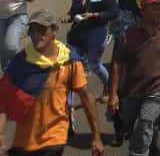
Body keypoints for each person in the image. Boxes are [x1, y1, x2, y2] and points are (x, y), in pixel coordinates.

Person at [0, 9, 105, 156]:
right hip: (23, 142)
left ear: (54, 30)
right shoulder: (20, 62)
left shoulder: (69, 61)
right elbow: (3, 100)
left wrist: (96, 138)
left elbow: (86, 97)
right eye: (33, 30)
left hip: (54, 138)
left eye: (42, 30)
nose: (36, 35)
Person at [108, 0, 160, 156]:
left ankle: (137, 153)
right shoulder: (129, 33)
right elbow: (117, 64)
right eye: (154, 7)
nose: (159, 11)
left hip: (157, 87)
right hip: (132, 89)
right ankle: (151, 145)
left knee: (145, 121)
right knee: (134, 125)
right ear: (143, 9)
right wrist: (113, 94)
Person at [67, 0, 118, 99]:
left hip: (96, 35)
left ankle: (108, 86)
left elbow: (113, 13)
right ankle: (68, 107)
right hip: (77, 35)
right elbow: (75, 9)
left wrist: (95, 15)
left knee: (94, 65)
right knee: (72, 69)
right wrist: (70, 17)